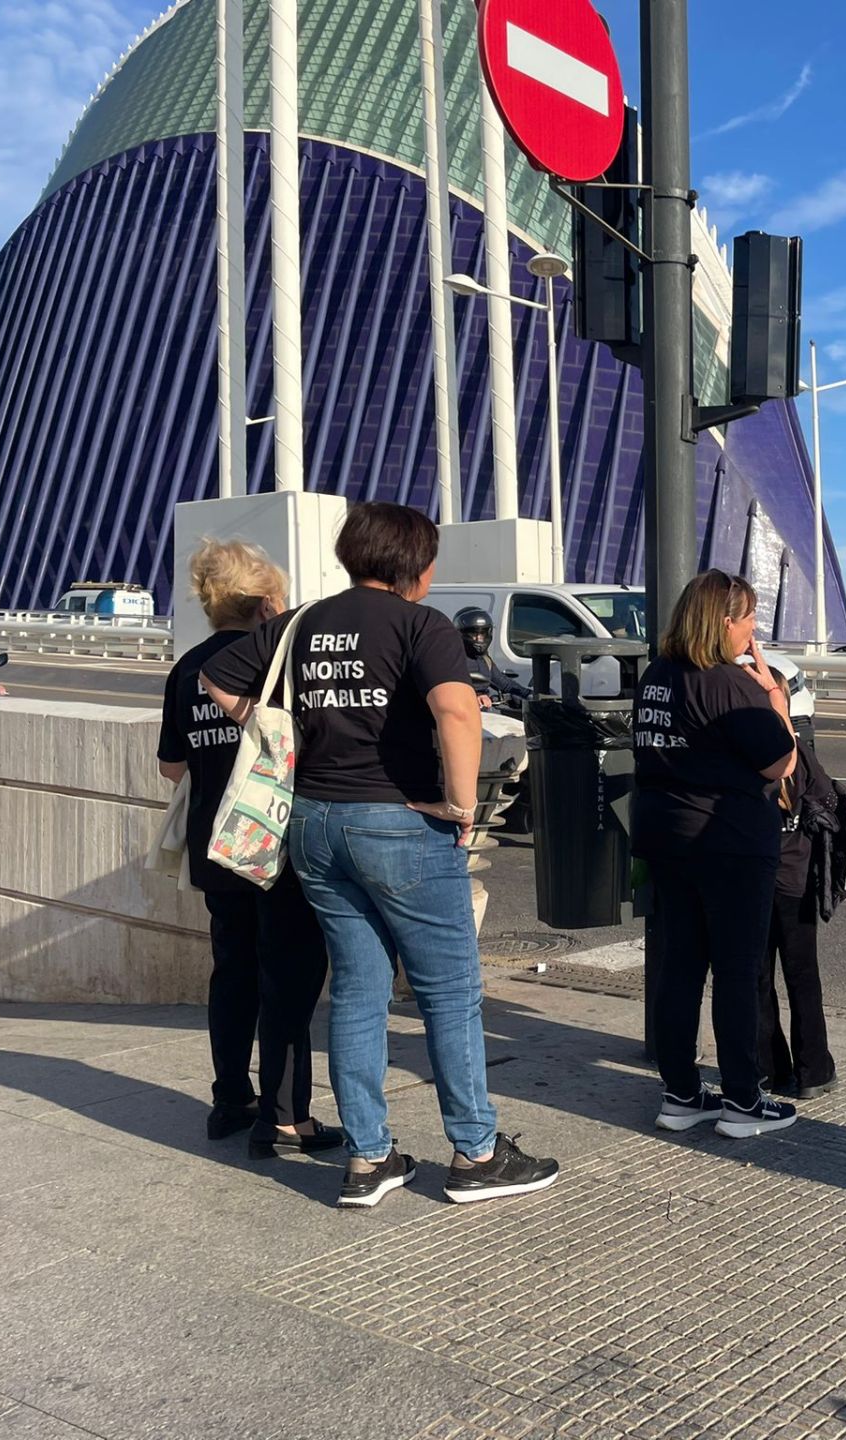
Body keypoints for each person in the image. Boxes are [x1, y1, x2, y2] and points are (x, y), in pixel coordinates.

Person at [204, 503, 559, 1208]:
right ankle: (476, 1152)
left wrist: (276, 726)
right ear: (416, 569)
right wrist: (460, 806)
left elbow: (216, 677)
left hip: (313, 824)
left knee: (359, 990)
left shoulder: (300, 622)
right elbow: (458, 713)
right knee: (449, 992)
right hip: (397, 821)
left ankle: (369, 1159)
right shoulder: (420, 625)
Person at [158, 540, 340, 1157]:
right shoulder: (271, 665)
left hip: (215, 844)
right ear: (266, 604)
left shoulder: (187, 669)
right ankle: (287, 1118)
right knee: (286, 977)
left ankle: (229, 1098)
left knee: (232, 972)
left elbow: (170, 767)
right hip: (275, 843)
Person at [633, 569, 801, 1140]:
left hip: (666, 833)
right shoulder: (729, 683)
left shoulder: (659, 674)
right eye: (751, 618)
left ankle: (680, 1093)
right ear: (726, 622)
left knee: (679, 966)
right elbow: (782, 762)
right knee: (736, 970)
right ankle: (742, 1102)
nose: (755, 630)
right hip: (727, 838)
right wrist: (773, 695)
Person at [757, 704, 840, 1100]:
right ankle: (813, 1069)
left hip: (753, 881)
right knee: (803, 977)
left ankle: (766, 1069)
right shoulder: (800, 753)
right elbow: (828, 800)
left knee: (756, 979)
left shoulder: (743, 751)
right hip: (797, 878)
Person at [455, 607, 529, 710]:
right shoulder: (452, 659)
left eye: (482, 633)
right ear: (461, 634)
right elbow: (444, 689)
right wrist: (474, 696)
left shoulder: (485, 660)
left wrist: (528, 694)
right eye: (473, 634)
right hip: (458, 715)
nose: (479, 639)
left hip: (482, 715)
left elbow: (504, 683)